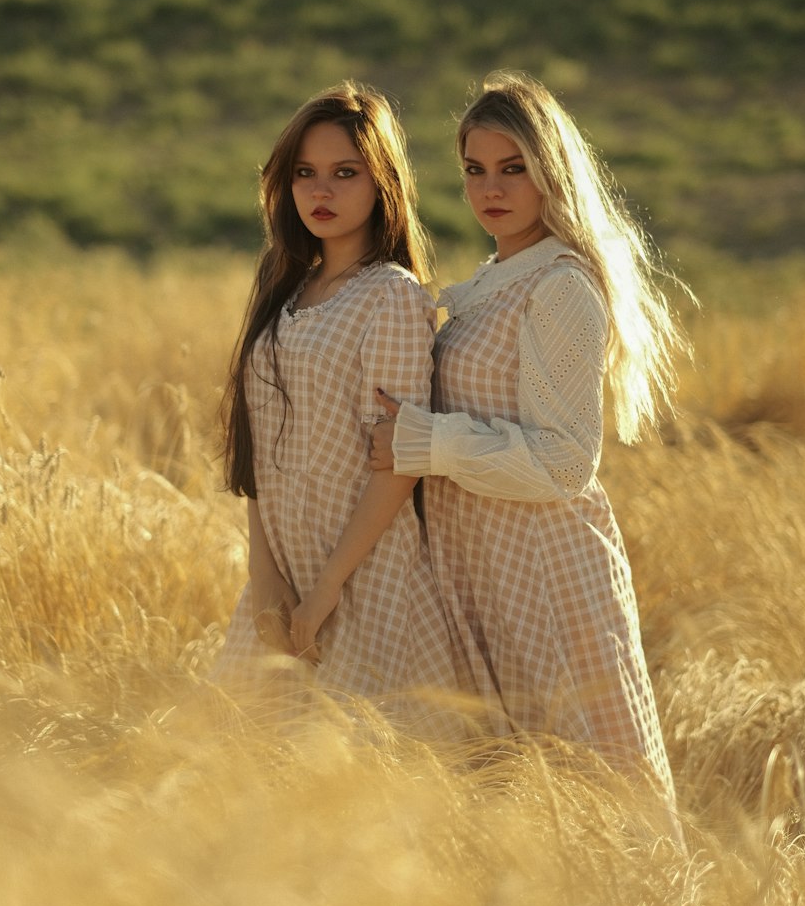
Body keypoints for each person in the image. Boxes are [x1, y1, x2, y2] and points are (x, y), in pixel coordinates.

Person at [370, 72, 687, 819]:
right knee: (505, 801)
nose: (491, 189)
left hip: (546, 574)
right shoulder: (489, 280)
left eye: (513, 168)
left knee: (593, 798)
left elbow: (564, 462)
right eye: (475, 170)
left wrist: (422, 439)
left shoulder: (561, 286)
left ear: (552, 171)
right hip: (481, 567)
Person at [215, 83, 462, 719]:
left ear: (382, 185)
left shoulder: (392, 297)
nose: (320, 192)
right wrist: (266, 580)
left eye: (344, 173)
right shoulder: (283, 286)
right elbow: (260, 446)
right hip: (281, 578)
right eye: (306, 173)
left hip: (364, 579)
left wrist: (325, 593)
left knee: (363, 784)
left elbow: (399, 459)